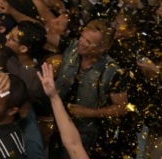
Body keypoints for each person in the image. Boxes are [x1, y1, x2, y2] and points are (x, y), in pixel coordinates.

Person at [53, 19, 128, 157]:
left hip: (83, 134)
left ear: (103, 48)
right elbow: (43, 35)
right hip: (55, 121)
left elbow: (122, 108)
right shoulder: (72, 47)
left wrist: (89, 112)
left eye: (89, 42)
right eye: (82, 37)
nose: (82, 42)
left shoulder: (112, 72)